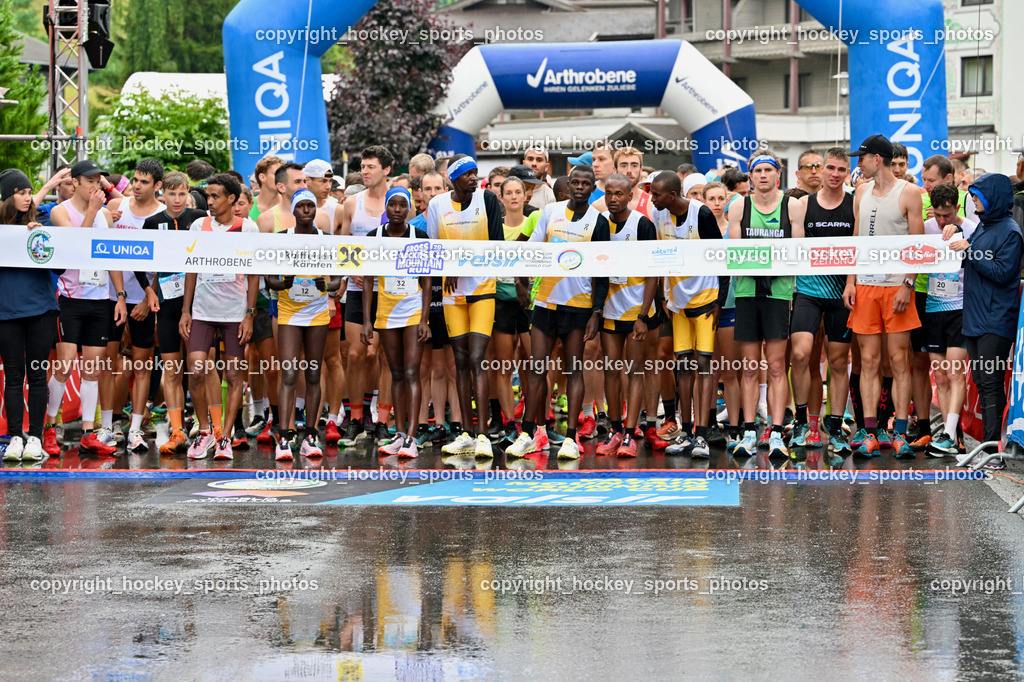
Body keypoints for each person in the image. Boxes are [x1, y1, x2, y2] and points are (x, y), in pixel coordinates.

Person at [505, 165, 610, 460]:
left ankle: (569, 439)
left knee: (574, 369)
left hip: (578, 306)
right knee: (537, 369)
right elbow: (531, 250)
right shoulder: (551, 213)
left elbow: (603, 271)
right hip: (546, 302)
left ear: (592, 189)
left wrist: (596, 312)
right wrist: (521, 283)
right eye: (575, 182)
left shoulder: (598, 222)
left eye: (585, 183)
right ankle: (529, 433)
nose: (579, 186)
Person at [842, 134, 925, 459]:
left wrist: (908, 282)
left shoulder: (910, 193)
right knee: (870, 361)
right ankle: (872, 432)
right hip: (865, 286)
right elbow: (855, 240)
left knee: (899, 361)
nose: (857, 163)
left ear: (877, 159)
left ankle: (900, 433)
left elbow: (917, 245)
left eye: (861, 158)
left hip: (896, 288)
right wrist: (851, 281)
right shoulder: (861, 191)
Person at [47, 160, 127, 456]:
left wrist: (119, 296)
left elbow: (111, 256)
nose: (97, 186)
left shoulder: (106, 214)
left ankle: (88, 433)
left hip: (99, 299)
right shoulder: (60, 211)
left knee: (93, 368)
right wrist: (93, 211)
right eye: (91, 180)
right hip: (70, 299)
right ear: (76, 182)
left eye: (99, 180)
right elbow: (77, 246)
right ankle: (49, 429)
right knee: (66, 364)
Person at [728, 150, 806, 458]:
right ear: (750, 176)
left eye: (768, 170)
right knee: (750, 367)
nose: (763, 175)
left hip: (779, 293)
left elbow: (796, 252)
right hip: (747, 291)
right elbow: (735, 254)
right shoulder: (738, 206)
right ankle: (749, 431)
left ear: (778, 174)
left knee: (775, 365)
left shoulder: (793, 205)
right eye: (757, 170)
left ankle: (775, 432)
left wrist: (763, 258)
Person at [426, 154, 504, 458]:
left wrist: (460, 261)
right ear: (453, 179)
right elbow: (434, 248)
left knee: (477, 359)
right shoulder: (437, 205)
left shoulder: (487, 199)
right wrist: (448, 265)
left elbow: (496, 245)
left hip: (483, 288)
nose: (474, 178)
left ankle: (483, 433)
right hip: (451, 294)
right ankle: (466, 433)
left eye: (476, 173)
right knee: (459, 362)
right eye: (468, 174)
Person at [179, 173, 260, 460]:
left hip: (234, 312)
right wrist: (186, 310)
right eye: (208, 196)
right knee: (197, 368)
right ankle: (205, 432)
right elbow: (191, 268)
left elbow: (253, 275)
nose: (209, 201)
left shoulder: (248, 229)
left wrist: (249, 314)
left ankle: (225, 436)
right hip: (202, 310)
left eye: (215, 197)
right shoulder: (199, 226)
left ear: (232, 199)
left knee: (234, 374)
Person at [947, 173, 1022, 469]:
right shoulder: (982, 226)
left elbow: (1004, 273)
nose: (973, 201)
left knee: (990, 384)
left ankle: (995, 452)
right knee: (980, 382)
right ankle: (987, 449)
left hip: (996, 318)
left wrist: (971, 251)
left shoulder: (1011, 231)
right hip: (976, 316)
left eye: (977, 197)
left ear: (994, 198)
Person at [650, 172, 726, 459]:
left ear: (672, 195)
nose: (652, 199)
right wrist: (663, 296)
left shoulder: (701, 213)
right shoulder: (659, 216)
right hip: (678, 302)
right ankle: (686, 432)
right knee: (682, 365)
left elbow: (722, 255)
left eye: (656, 194)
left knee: (704, 365)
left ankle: (703, 435)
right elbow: (661, 255)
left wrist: (719, 299)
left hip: (706, 299)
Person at [265, 189, 340, 460]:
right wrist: (280, 283)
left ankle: (310, 434)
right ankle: (283, 436)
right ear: (294, 210)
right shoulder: (281, 239)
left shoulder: (326, 239)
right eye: (302, 206)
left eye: (311, 206)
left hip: (317, 312)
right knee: (288, 373)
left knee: (312, 372)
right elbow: (269, 278)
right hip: (289, 312)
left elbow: (338, 279)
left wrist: (328, 286)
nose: (307, 210)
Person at [136, 172, 208, 455]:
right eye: (171, 194)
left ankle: (209, 428)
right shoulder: (152, 223)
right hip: (166, 304)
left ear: (188, 194)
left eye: (182, 194)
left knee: (201, 368)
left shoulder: (200, 218)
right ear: (161, 194)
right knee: (172, 370)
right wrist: (148, 291)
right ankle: (177, 430)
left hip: (198, 304)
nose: (177, 200)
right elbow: (137, 259)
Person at [790, 148, 855, 456]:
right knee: (802, 355)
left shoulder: (855, 204)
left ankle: (835, 424)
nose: (834, 173)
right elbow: (796, 250)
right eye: (830, 167)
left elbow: (860, 248)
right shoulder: (804, 204)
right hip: (807, 290)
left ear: (847, 172)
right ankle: (803, 421)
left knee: (839, 362)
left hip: (841, 294)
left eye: (841, 169)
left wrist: (851, 283)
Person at [362, 186, 431, 458]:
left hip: (413, 309)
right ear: (386, 208)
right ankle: (400, 433)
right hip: (387, 311)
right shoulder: (374, 236)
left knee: (412, 372)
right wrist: (367, 321)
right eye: (393, 205)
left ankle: (412, 438)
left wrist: (425, 319)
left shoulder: (419, 235)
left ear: (410, 208)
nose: (398, 210)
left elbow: (427, 280)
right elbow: (367, 281)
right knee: (397, 372)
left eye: (403, 205)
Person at [105, 159, 167, 451]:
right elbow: (109, 253)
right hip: (112, 296)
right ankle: (110, 425)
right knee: (111, 365)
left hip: (146, 300)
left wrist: (147, 297)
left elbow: (165, 264)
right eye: (135, 180)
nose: (137, 186)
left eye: (144, 182)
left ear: (158, 186)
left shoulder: (163, 215)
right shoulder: (118, 207)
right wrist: (120, 295)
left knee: (142, 366)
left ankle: (136, 427)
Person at [0, 169, 61, 462]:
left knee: (37, 375)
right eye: (21, 192)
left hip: (41, 310)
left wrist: (40, 239)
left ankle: (35, 437)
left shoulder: (43, 221)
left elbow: (61, 266)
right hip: (6, 311)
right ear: (8, 197)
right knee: (13, 377)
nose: (28, 197)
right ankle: (14, 437)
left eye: (29, 192)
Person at [595, 173, 658, 458]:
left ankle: (631, 434)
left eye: (619, 194)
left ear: (630, 195)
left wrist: (643, 315)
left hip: (636, 310)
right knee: (610, 370)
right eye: (609, 193)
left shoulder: (642, 224)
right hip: (609, 309)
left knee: (634, 371)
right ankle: (615, 429)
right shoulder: (599, 224)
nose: (613, 199)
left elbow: (653, 273)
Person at [338, 145, 392, 445]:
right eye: (363, 165)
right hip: (359, 289)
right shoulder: (351, 203)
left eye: (371, 166)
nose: (365, 171)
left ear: (386, 169)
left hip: (388, 292)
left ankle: (382, 420)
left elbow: (403, 244)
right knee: (356, 354)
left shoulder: (399, 202)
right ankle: (356, 419)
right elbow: (343, 245)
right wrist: (351, 271)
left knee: (383, 355)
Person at [922, 182, 975, 457]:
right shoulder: (926, 228)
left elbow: (980, 257)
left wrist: (963, 235)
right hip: (934, 307)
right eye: (939, 215)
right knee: (940, 376)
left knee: (955, 372)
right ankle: (948, 434)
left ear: (957, 207)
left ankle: (950, 433)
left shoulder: (972, 227)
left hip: (960, 309)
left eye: (948, 214)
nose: (943, 221)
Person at [250, 156, 283, 220]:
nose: (282, 178)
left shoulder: (291, 206)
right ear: (262, 177)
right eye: (277, 174)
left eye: (283, 174)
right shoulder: (246, 206)